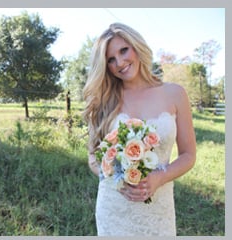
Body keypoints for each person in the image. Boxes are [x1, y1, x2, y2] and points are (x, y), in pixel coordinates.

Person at [82, 23, 196, 236]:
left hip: (159, 210)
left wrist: (160, 178)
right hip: (114, 207)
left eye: (124, 50)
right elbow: (92, 158)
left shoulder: (175, 94)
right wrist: (117, 178)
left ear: (136, 45)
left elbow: (189, 155)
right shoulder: (104, 100)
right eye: (110, 60)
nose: (120, 63)